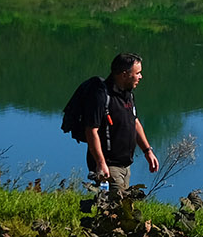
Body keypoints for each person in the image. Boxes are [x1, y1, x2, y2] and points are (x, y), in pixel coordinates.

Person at [68, 52, 159, 198]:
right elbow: (91, 131)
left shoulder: (128, 94)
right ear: (124, 75)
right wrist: (100, 163)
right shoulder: (101, 96)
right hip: (108, 166)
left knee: (120, 211)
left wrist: (147, 151)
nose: (140, 77)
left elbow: (135, 122)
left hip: (125, 165)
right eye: (137, 73)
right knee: (116, 210)